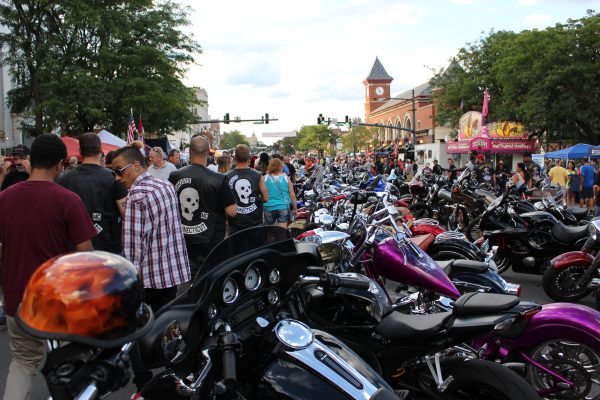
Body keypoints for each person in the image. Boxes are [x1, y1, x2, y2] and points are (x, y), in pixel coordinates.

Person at [0, 134, 96, 400]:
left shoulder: (5, 197)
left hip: (18, 298)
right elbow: (85, 256)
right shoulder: (68, 201)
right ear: (59, 164)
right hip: (59, 301)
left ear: (31, 162)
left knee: (22, 362)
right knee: (69, 366)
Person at [112, 144, 190, 311]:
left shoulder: (137, 196)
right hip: (170, 274)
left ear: (136, 165)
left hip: (149, 281)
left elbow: (133, 248)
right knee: (165, 327)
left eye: (119, 171)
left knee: (147, 329)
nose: (117, 178)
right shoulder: (165, 186)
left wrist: (129, 282)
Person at [169, 135, 237, 272]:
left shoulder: (175, 175)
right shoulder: (219, 178)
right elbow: (232, 211)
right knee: (210, 277)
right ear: (208, 153)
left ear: (190, 152)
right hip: (212, 240)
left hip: (183, 239)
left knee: (187, 278)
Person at [58, 132, 127, 254]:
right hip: (109, 251)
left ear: (80, 151)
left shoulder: (66, 179)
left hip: (75, 251)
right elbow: (126, 214)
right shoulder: (115, 178)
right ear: (100, 150)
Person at [226, 144, 268, 235]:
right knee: (256, 249)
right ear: (249, 157)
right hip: (254, 221)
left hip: (235, 223)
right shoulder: (258, 175)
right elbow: (265, 198)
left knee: (237, 249)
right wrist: (256, 201)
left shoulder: (226, 177)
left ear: (235, 157)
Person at [264, 158, 297, 228]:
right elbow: (292, 195)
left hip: (268, 207)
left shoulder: (264, 178)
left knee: (270, 231)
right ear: (280, 166)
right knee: (282, 231)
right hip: (283, 207)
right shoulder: (286, 178)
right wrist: (295, 209)